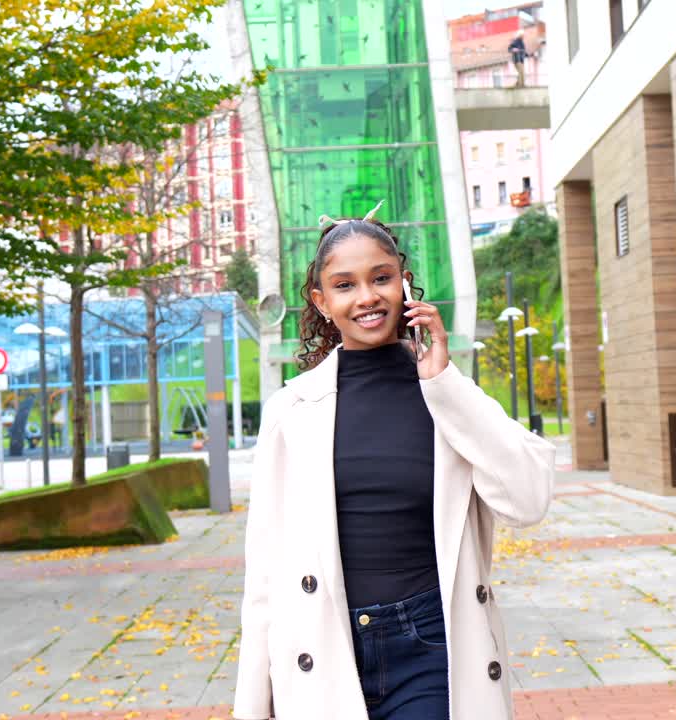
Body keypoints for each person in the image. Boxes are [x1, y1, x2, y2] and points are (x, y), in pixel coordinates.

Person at [232, 201, 555, 720]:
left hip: (431, 645)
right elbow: (265, 571)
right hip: (323, 644)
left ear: (403, 283)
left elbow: (529, 499)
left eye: (380, 278)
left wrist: (446, 384)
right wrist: (252, 705)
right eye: (344, 285)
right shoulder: (291, 411)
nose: (366, 297)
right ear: (321, 300)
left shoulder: (446, 393)